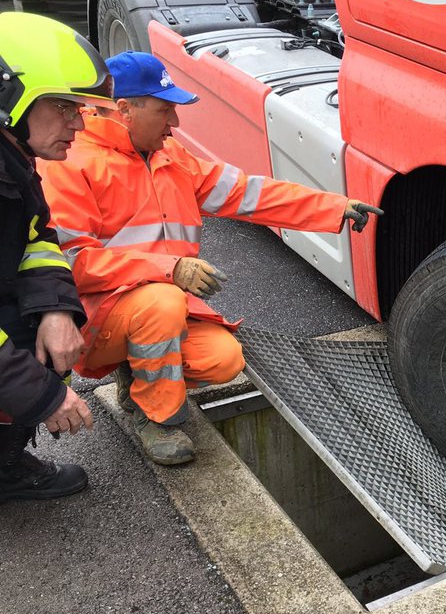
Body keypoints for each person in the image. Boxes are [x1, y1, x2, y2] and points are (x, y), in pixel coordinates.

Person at [39, 51, 382, 467]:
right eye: (165, 109)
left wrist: (332, 207)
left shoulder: (170, 158)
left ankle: (137, 374)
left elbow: (248, 193)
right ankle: (155, 419)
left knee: (223, 360)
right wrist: (170, 270)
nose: (175, 123)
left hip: (156, 312)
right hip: (94, 325)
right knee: (161, 303)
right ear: (124, 110)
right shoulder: (70, 166)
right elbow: (71, 265)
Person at [0, 13, 114, 502]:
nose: (78, 122)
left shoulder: (14, 162)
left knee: (50, 338)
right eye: (63, 106)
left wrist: (55, 309)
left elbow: (38, 239)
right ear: (10, 98)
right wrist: (43, 395)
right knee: (32, 359)